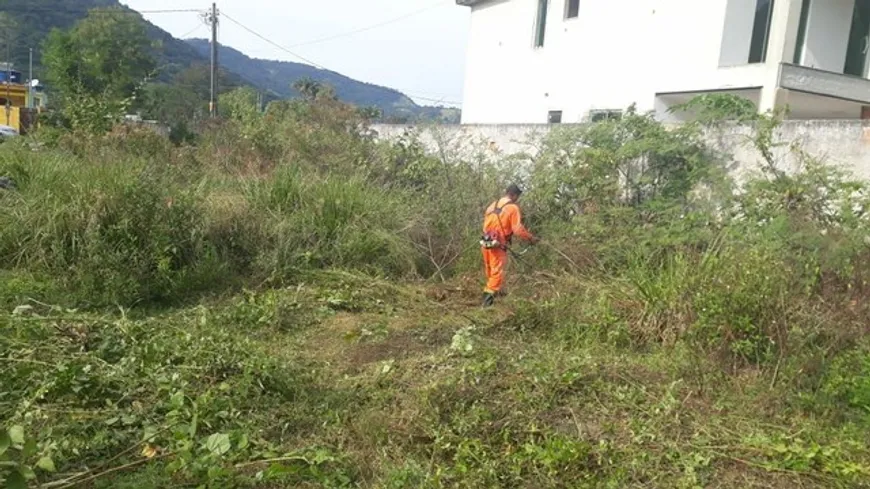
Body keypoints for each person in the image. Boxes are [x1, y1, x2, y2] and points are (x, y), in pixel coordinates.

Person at [480, 184, 538, 307]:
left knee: (490, 273)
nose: (517, 199)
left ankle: (492, 299)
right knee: (497, 275)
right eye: (517, 196)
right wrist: (531, 238)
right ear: (514, 195)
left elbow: (485, 227)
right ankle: (485, 306)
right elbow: (517, 230)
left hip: (486, 243)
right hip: (498, 245)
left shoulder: (492, 206)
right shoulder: (512, 208)